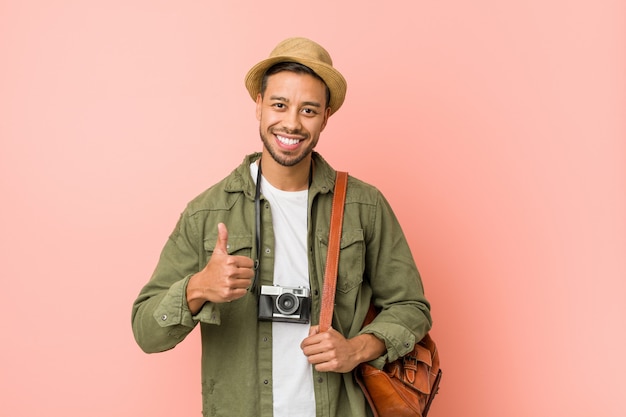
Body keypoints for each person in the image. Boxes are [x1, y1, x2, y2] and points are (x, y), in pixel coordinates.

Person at [131, 37, 432, 417]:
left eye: (308, 110)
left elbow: (411, 307)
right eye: (279, 104)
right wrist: (197, 287)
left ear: (326, 117)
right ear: (258, 106)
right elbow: (146, 331)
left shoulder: (363, 206)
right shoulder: (207, 213)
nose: (291, 122)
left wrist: (358, 348)